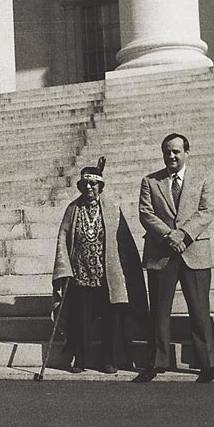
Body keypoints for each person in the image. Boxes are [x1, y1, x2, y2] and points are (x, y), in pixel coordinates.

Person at [52, 159, 147, 373]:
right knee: (81, 318)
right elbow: (62, 238)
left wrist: (125, 272)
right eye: (84, 184)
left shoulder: (112, 208)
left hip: (107, 275)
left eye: (93, 185)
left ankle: (109, 359)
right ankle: (81, 359)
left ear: (100, 187)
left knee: (110, 319)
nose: (89, 188)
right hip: (80, 274)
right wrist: (64, 269)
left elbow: (124, 241)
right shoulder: (72, 209)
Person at [137, 133, 214, 383]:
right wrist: (169, 235)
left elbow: (207, 211)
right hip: (162, 252)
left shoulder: (202, 178)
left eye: (176, 151)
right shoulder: (150, 181)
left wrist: (183, 233)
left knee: (199, 310)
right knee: (159, 312)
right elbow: (146, 213)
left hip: (194, 251)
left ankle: (206, 364)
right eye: (167, 152)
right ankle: (156, 362)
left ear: (186, 153)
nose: (171, 156)